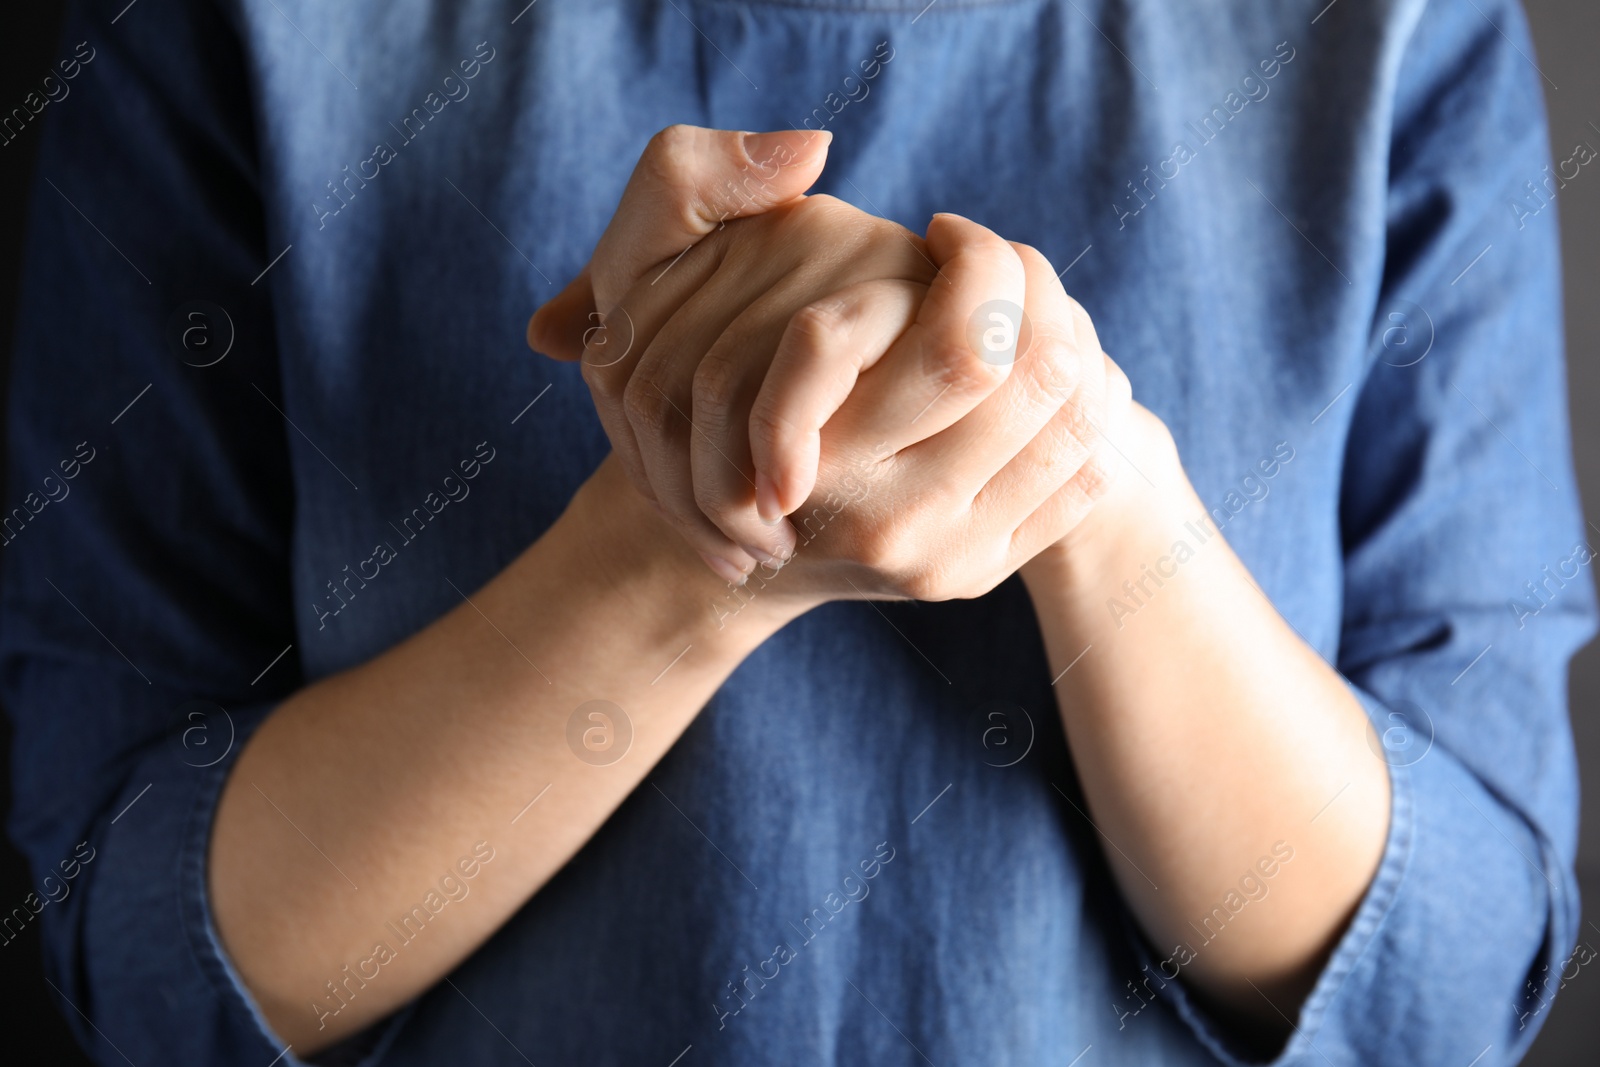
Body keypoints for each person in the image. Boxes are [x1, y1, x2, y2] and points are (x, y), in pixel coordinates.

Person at [2, 2, 1591, 1065]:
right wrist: (690, 544)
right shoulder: (228, 30)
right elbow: (145, 956)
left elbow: (1448, 975)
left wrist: (1067, 454)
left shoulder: (1395, 31)